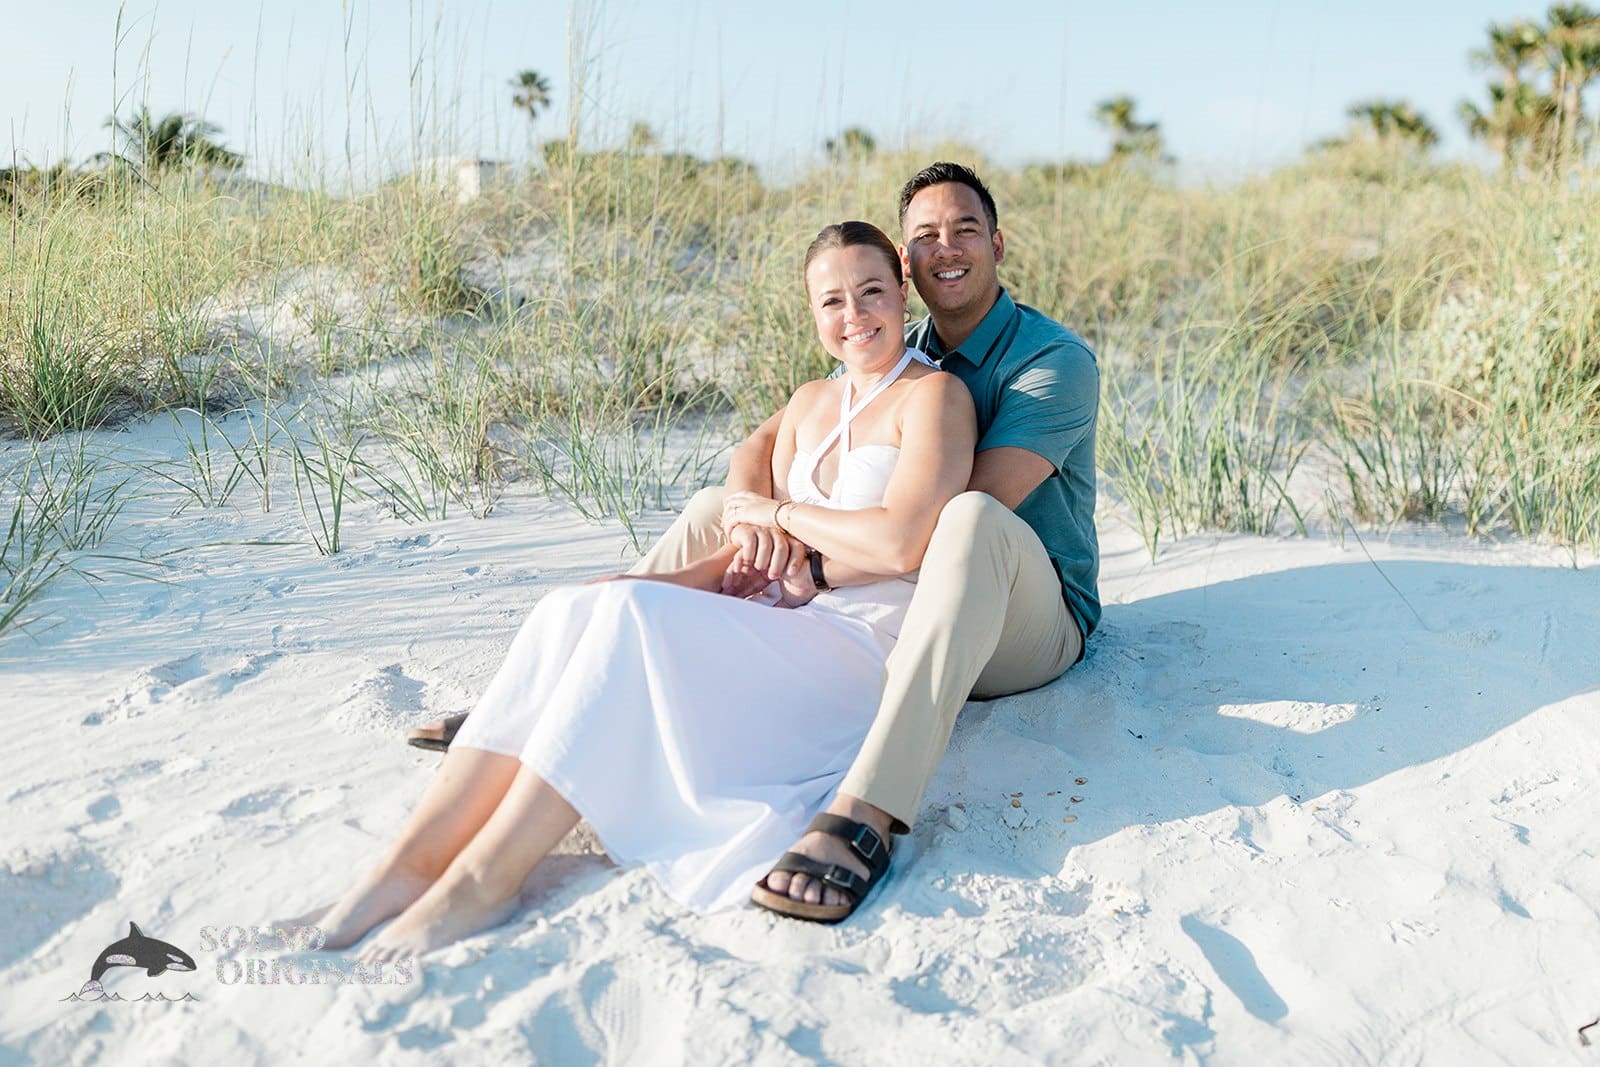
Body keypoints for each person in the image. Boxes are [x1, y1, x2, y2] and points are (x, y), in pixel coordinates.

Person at [409, 161, 1101, 923]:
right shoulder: (885, 333)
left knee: (967, 524)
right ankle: (574, 684)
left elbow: (947, 525)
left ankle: (865, 814)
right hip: (904, 598)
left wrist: (803, 561)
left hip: (1023, 618)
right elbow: (763, 446)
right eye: (926, 237)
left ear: (998, 243)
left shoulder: (1052, 362)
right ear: (904, 265)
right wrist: (752, 518)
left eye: (966, 229)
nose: (948, 247)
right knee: (716, 503)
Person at [303, 220, 976, 958]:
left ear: (901, 288)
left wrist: (776, 511)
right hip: (779, 620)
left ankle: (483, 879)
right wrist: (649, 578)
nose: (855, 316)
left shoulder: (934, 395)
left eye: (872, 292)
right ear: (811, 312)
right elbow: (743, 533)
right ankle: (407, 866)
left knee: (627, 614)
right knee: (577, 606)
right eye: (832, 301)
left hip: (854, 645)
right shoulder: (811, 400)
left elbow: (901, 540)